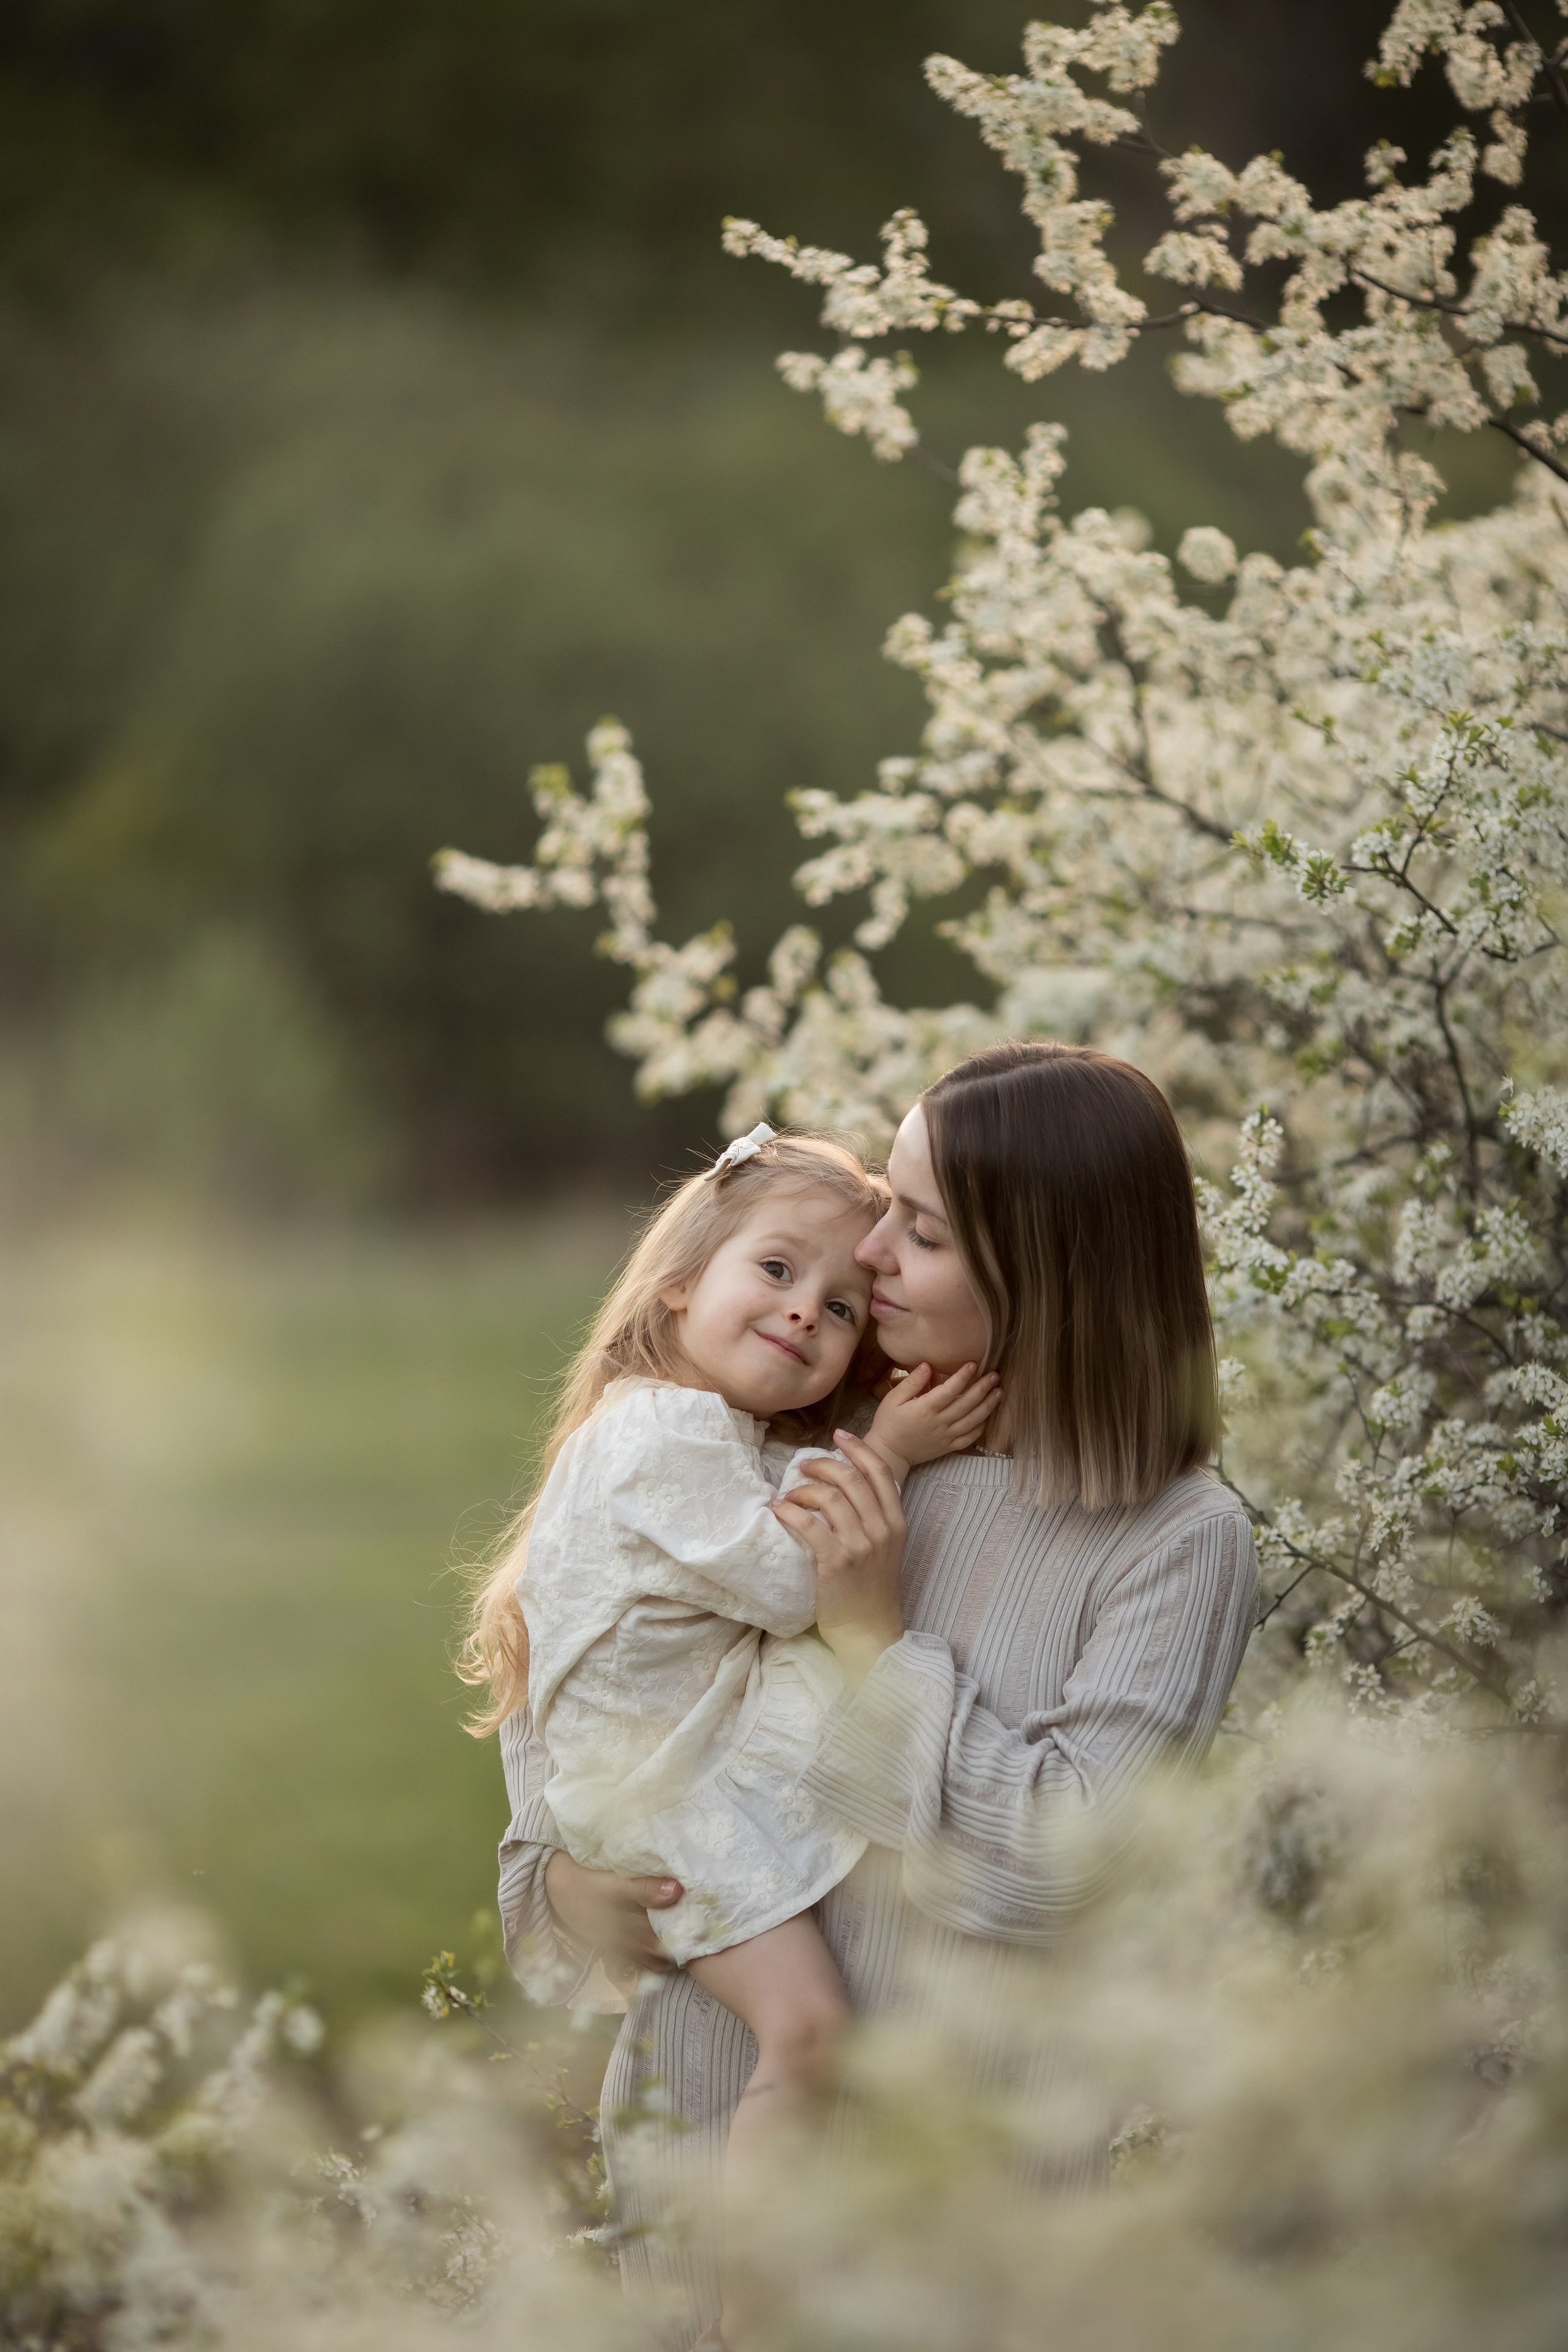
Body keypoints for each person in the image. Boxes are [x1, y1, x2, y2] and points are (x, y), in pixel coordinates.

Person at [489, 1042, 1259, 2346]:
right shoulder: (794, 1441)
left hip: (954, 2219)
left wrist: (871, 1640)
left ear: (1045, 1271)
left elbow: (1053, 1870)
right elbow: (581, 1697)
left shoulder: (1173, 1539)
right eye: (884, 1206)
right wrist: (561, 1885)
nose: (871, 1255)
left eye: (919, 1231)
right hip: (695, 2173)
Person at [459, 1126, 997, 2335]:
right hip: (663, 1804)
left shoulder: (693, 1431)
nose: (808, 1312)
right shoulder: (661, 1438)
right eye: (774, 1272)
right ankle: (750, 2310)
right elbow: (787, 1583)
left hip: (661, 1774)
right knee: (805, 2029)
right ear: (679, 1285)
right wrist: (895, 1450)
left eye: (844, 1306)